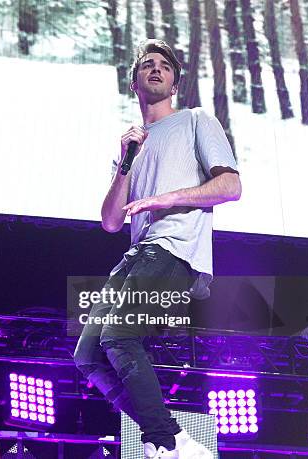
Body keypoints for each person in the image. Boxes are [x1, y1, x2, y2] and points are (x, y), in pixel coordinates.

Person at [74, 39, 241, 459]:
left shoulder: (196, 120)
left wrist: (163, 199)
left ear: (174, 83)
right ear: (133, 83)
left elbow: (231, 186)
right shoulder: (131, 145)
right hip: (137, 252)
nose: (155, 68)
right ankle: (173, 440)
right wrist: (126, 161)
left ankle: (164, 442)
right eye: (146, 64)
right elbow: (111, 221)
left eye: (164, 66)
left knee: (120, 337)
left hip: (174, 247)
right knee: (89, 354)